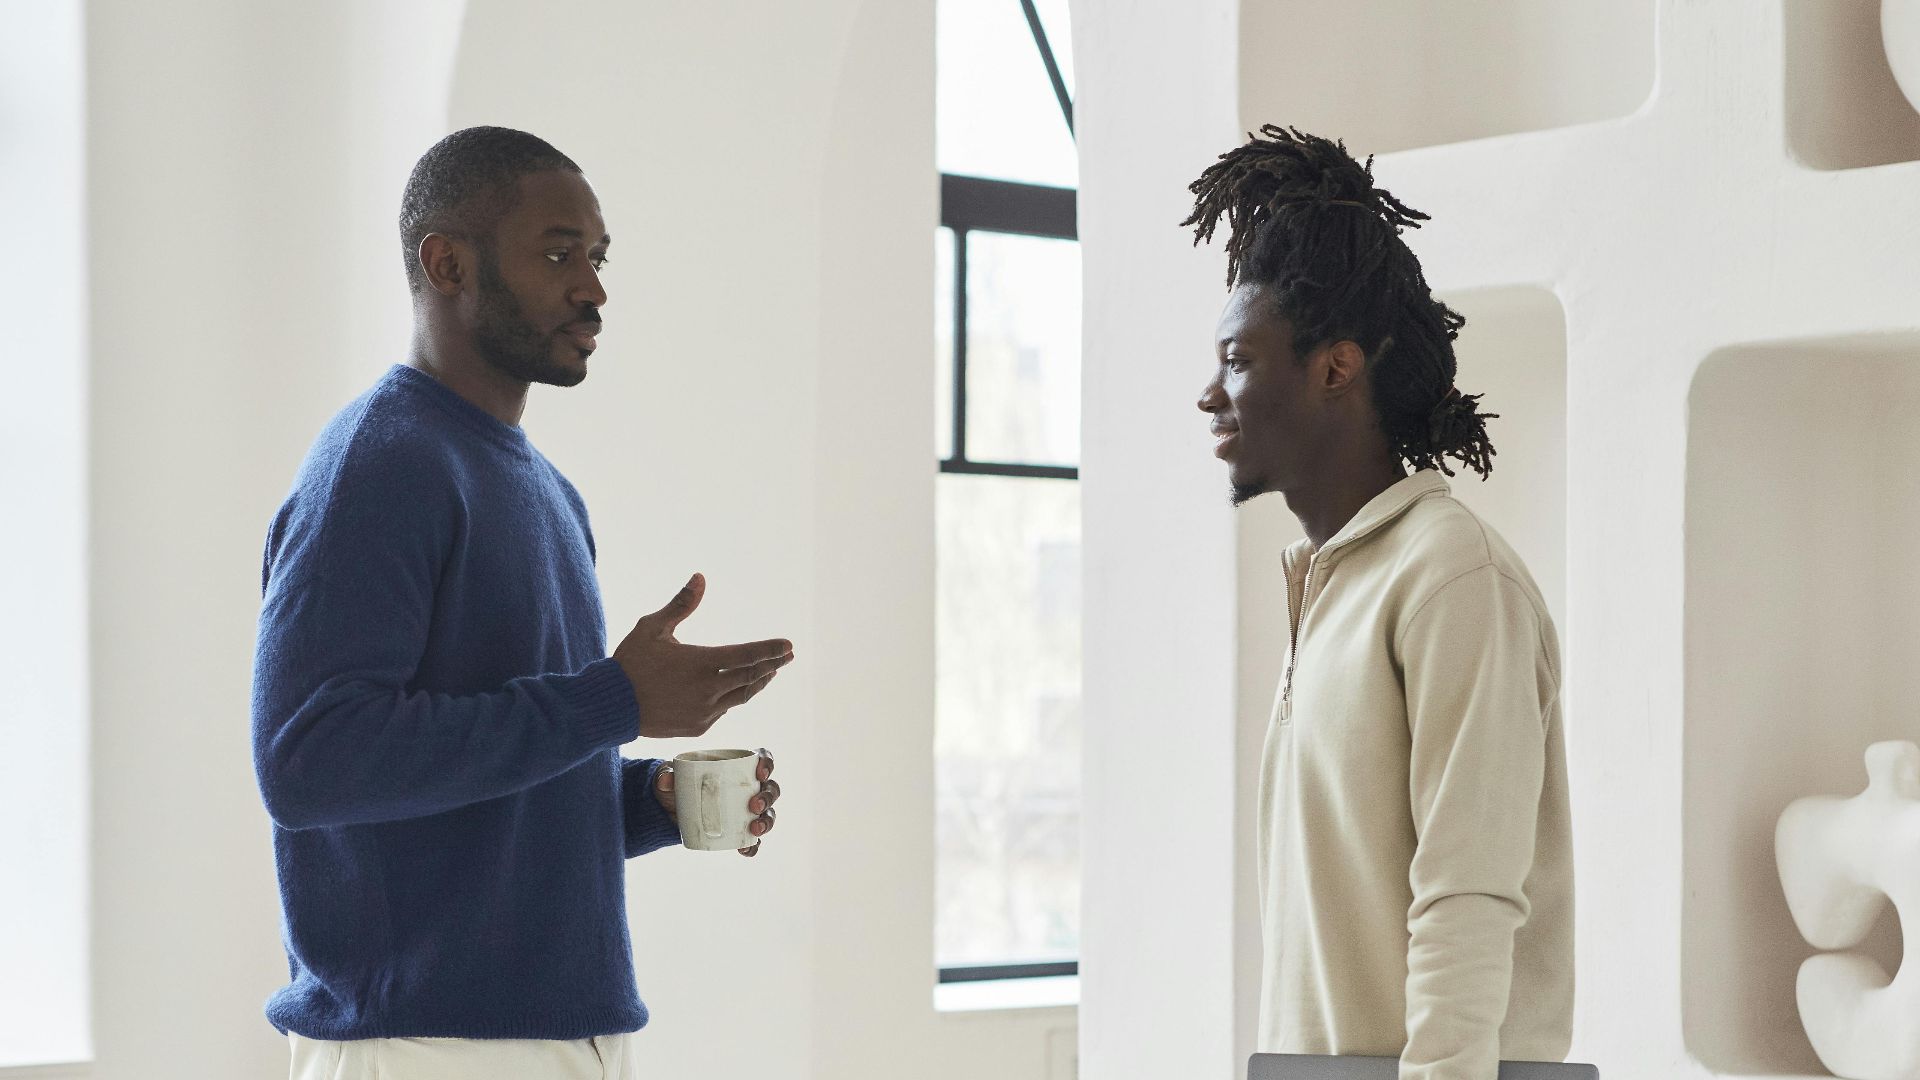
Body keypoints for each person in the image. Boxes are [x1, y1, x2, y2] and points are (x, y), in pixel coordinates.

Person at [250, 126, 794, 1080]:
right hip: (425, 1045)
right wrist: (615, 702)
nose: (593, 288)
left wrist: (653, 801)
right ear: (446, 261)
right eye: (557, 254)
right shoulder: (379, 468)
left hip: (567, 1035)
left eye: (597, 256)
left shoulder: (548, 492)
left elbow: (493, 786)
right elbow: (310, 762)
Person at [1184, 125, 1573, 1080]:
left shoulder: (1452, 578)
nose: (1210, 395)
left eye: (1239, 359)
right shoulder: (1331, 586)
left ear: (1334, 368)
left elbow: (1469, 896)